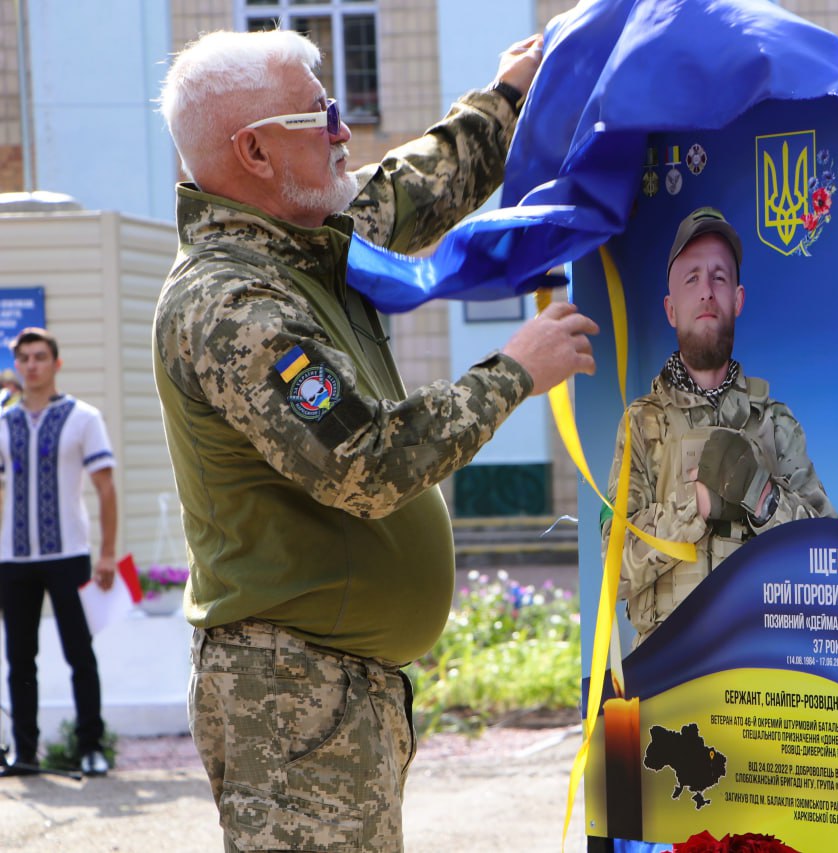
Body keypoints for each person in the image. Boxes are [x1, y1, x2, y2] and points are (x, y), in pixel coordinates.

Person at [154, 29, 597, 851]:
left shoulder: (302, 243)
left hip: (331, 687)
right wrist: (513, 371)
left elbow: (414, 186)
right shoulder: (231, 301)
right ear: (254, 151)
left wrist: (509, 96)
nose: (343, 131)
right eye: (320, 115)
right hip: (289, 696)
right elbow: (366, 464)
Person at [603, 207, 836, 646]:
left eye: (719, 278)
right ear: (671, 310)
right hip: (669, 675)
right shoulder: (641, 424)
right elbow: (615, 571)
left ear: (737, 300)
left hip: (757, 675)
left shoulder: (774, 423)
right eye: (691, 279)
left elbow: (827, 564)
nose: (706, 292)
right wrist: (697, 504)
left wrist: (765, 502)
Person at [0, 327, 117, 777]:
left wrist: (106, 554)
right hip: (13, 560)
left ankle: (91, 746)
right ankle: (25, 752)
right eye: (24, 358)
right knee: (19, 658)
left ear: (56, 363)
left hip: (69, 555)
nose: (32, 365)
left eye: (40, 357)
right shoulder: (5, 422)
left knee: (79, 654)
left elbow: (105, 489)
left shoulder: (83, 417)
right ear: (17, 365)